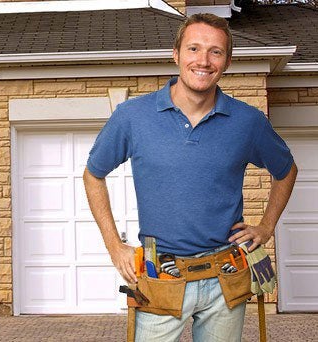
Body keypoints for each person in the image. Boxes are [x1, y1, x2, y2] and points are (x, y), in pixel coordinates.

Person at [83, 13, 298, 341]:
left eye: (215, 52)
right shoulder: (132, 117)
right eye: (194, 48)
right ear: (176, 54)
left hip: (225, 274)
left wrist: (266, 226)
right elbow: (92, 175)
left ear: (227, 62)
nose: (203, 60)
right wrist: (114, 246)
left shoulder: (247, 122)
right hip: (160, 277)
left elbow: (286, 171)